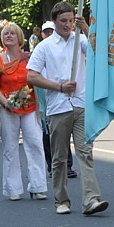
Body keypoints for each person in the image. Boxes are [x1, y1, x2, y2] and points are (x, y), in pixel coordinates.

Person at [27, 1, 108, 216]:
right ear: (54, 22)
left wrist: (88, 28)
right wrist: (59, 87)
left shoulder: (80, 40)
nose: (68, 25)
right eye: (63, 21)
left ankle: (91, 199)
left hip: (80, 105)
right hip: (58, 107)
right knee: (60, 157)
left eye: (71, 21)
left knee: (85, 152)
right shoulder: (44, 46)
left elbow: (99, 52)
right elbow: (32, 75)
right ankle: (61, 200)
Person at [0, 23, 48, 201]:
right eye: (6, 33)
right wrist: (6, 102)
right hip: (8, 109)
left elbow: (37, 81)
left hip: (30, 108)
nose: (9, 36)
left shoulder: (30, 58)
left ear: (20, 37)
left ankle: (38, 186)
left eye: (13, 33)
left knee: (35, 143)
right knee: (10, 147)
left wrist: (40, 109)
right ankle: (13, 188)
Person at [37, 21, 76, 177]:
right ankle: (51, 165)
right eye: (45, 31)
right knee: (47, 134)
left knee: (63, 132)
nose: (47, 34)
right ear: (42, 34)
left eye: (50, 31)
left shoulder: (62, 49)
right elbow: (33, 75)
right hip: (44, 95)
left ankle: (68, 165)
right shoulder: (41, 49)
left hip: (60, 95)